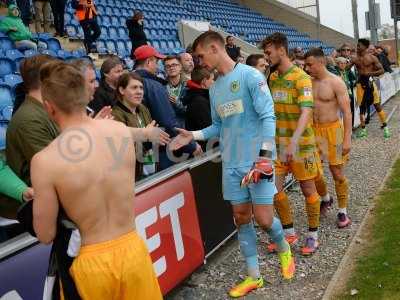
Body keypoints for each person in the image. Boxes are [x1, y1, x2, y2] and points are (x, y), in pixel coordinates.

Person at [170, 31, 295, 298]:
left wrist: (264, 157)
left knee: (263, 219)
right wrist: (192, 135)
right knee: (240, 218)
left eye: (201, 55)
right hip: (231, 163)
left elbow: (268, 116)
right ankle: (254, 277)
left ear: (215, 48)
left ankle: (284, 247)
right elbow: (218, 125)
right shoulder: (214, 88)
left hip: (256, 161)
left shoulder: (250, 76)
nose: (199, 62)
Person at [32, 61, 166, 299]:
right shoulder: (121, 132)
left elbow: (45, 234)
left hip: (92, 262)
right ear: (86, 95)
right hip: (133, 250)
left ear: (49, 107)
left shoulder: (45, 161)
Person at [262, 32, 321, 256]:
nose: (267, 58)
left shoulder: (301, 78)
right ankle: (288, 233)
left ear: (281, 50)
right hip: (277, 145)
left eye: (269, 53)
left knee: (308, 190)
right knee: (274, 190)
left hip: (301, 145)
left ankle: (313, 236)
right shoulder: (273, 77)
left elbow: (307, 110)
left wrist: (294, 141)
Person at [304, 48, 352, 228]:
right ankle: (326, 198)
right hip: (313, 132)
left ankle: (342, 211)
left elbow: (347, 112)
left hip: (333, 131)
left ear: (321, 62)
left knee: (337, 172)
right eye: (306, 65)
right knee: (313, 172)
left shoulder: (336, 82)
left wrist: (347, 138)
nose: (307, 68)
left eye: (310, 64)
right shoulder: (307, 82)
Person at [134, 45, 201, 170]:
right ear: (149, 62)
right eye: (157, 62)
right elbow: (167, 121)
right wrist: (191, 145)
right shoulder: (155, 86)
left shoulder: (127, 82)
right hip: (162, 147)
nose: (157, 66)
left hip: (138, 146)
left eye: (174, 65)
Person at [112, 72, 156, 179]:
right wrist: (147, 136)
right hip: (131, 174)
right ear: (122, 90)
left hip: (150, 163)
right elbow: (122, 149)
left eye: (141, 88)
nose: (139, 92)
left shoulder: (143, 109)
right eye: (134, 88)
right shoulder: (115, 115)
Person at [351, 38, 389, 139]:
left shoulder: (372, 58)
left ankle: (386, 129)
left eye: (359, 45)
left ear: (365, 47)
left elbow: (382, 70)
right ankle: (363, 130)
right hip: (360, 85)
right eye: (357, 45)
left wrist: (370, 73)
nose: (357, 47)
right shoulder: (354, 58)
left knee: (377, 105)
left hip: (371, 84)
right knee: (361, 108)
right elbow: (345, 69)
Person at [182, 66, 213, 150]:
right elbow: (208, 128)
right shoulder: (199, 102)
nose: (213, 82)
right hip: (205, 149)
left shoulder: (199, 97)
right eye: (212, 80)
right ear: (204, 81)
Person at [164, 55, 187, 128]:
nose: (171, 68)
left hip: (187, 127)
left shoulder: (189, 85)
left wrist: (177, 103)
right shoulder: (161, 86)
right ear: (165, 69)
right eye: (168, 66)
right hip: (170, 128)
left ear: (180, 67)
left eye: (174, 65)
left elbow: (192, 110)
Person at [335, 56, 357, 126]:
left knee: (349, 112)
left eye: (344, 63)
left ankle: (349, 126)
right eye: (341, 63)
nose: (343, 65)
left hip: (349, 94)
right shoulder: (335, 72)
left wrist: (351, 83)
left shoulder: (347, 71)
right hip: (340, 96)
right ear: (337, 64)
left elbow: (354, 79)